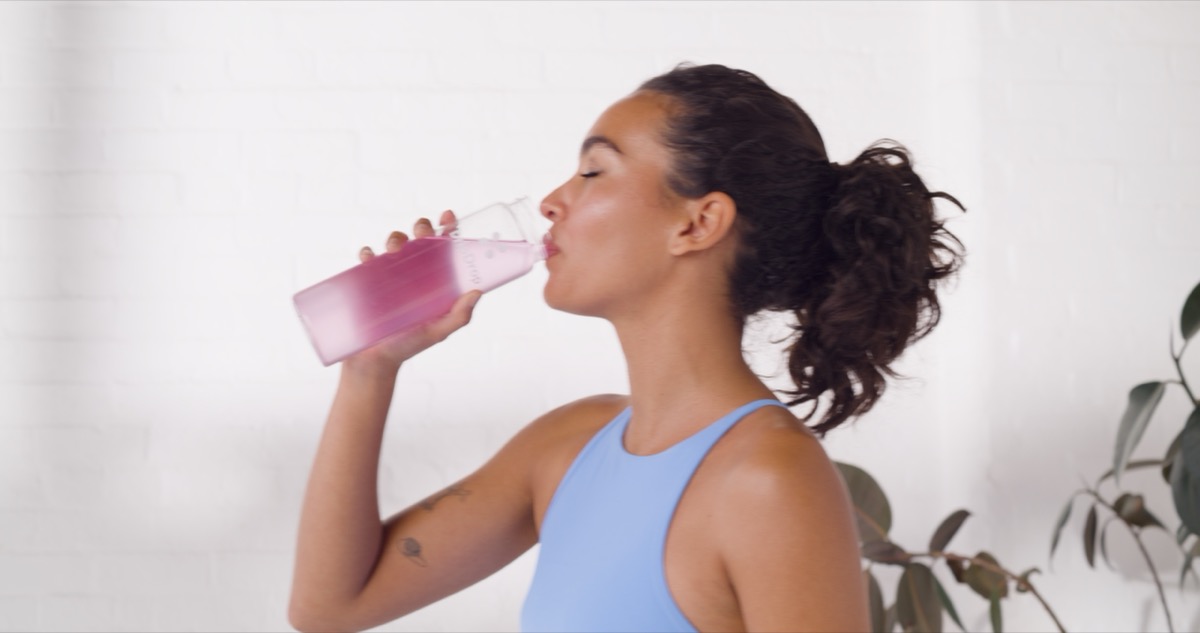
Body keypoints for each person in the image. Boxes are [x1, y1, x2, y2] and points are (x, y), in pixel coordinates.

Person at [288, 63, 964, 633]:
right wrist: (370, 368)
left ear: (698, 223)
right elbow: (327, 606)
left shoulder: (769, 481)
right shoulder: (566, 446)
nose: (553, 201)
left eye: (593, 171)